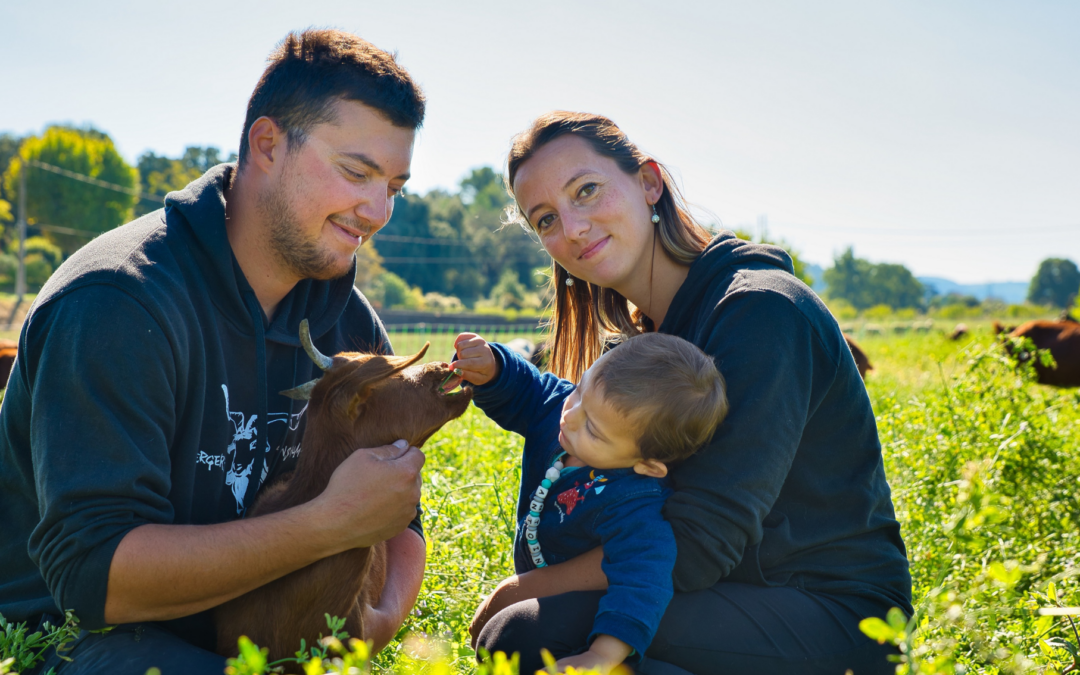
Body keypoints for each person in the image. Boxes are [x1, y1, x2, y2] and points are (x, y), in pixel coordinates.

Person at [0, 30, 429, 674]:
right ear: (267, 145)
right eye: (356, 172)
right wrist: (327, 525)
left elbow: (399, 517)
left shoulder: (350, 324)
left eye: (395, 184)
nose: (377, 209)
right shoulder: (118, 303)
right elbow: (96, 581)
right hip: (80, 640)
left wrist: (381, 620)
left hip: (268, 635)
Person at [472, 111, 913, 675]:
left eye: (587, 190)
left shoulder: (761, 311)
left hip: (834, 613)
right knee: (552, 628)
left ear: (649, 183)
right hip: (737, 593)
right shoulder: (651, 340)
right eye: (546, 220)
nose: (573, 228)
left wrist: (523, 586)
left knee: (531, 628)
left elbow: (698, 545)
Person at [448, 331, 727, 672]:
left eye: (593, 430)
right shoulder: (565, 411)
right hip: (542, 581)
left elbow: (640, 584)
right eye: (580, 389)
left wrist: (601, 655)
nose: (572, 415)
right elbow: (530, 390)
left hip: (579, 609)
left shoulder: (634, 504)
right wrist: (494, 368)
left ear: (647, 465)